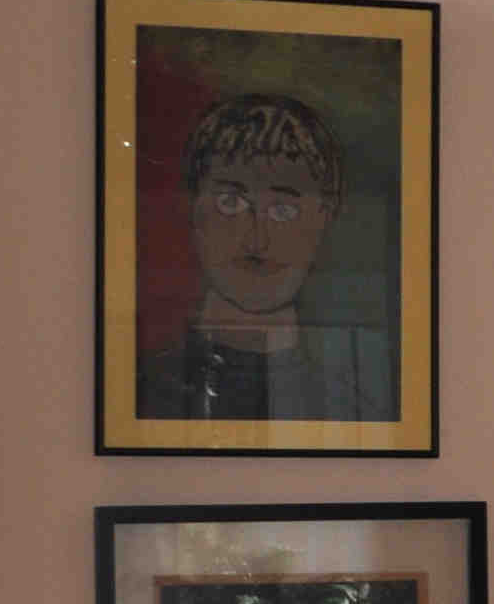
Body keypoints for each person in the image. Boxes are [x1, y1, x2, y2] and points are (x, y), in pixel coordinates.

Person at [136, 89, 391, 425]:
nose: (257, 238)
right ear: (194, 210)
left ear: (324, 219)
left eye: (283, 210)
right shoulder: (141, 394)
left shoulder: (351, 412)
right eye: (230, 203)